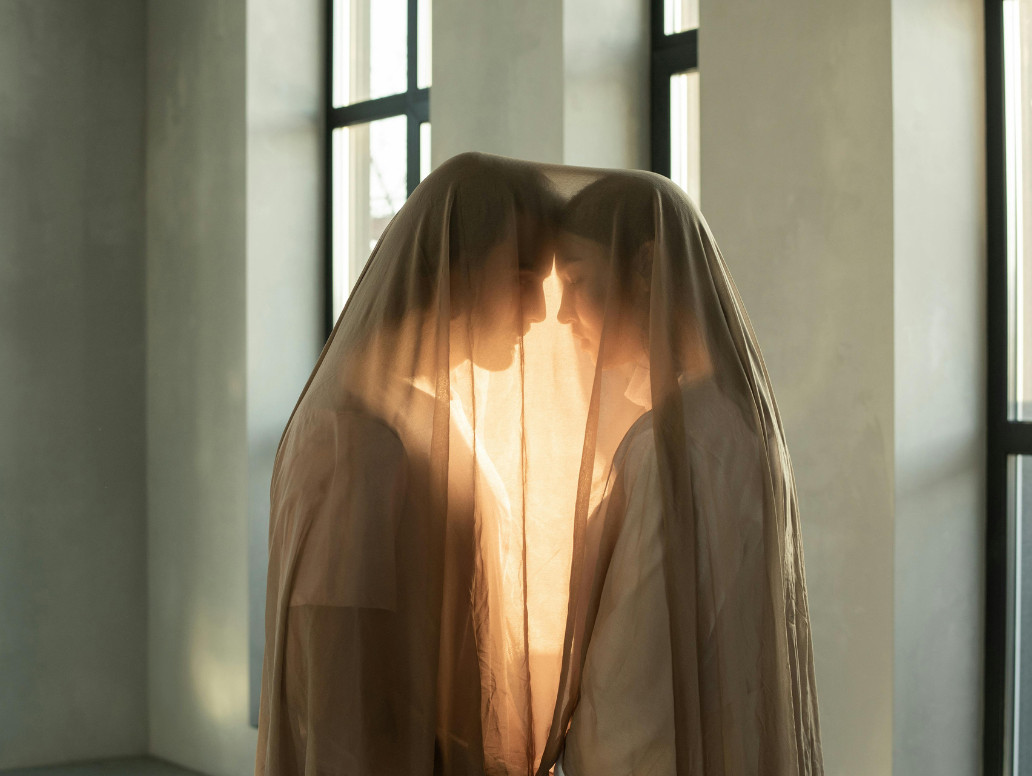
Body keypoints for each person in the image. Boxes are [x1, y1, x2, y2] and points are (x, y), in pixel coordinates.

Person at [254, 152, 567, 776]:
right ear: (457, 266)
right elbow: (339, 701)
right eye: (523, 277)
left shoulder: (422, 413)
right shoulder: (355, 438)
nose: (538, 311)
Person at [541, 172, 825, 775]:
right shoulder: (738, 421)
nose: (562, 313)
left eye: (577, 281)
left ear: (646, 267)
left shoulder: (668, 450)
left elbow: (627, 700)